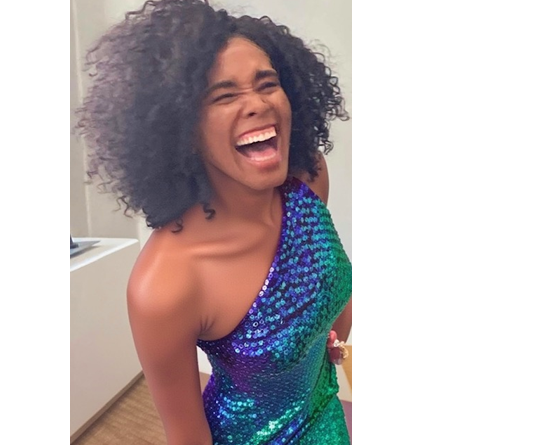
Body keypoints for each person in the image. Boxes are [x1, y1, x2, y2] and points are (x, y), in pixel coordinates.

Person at [75, 0, 352, 443]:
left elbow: (328, 293)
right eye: (224, 95)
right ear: (182, 128)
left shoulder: (308, 181)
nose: (257, 103)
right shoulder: (166, 284)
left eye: (268, 84)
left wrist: (324, 345)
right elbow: (187, 436)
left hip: (328, 416)